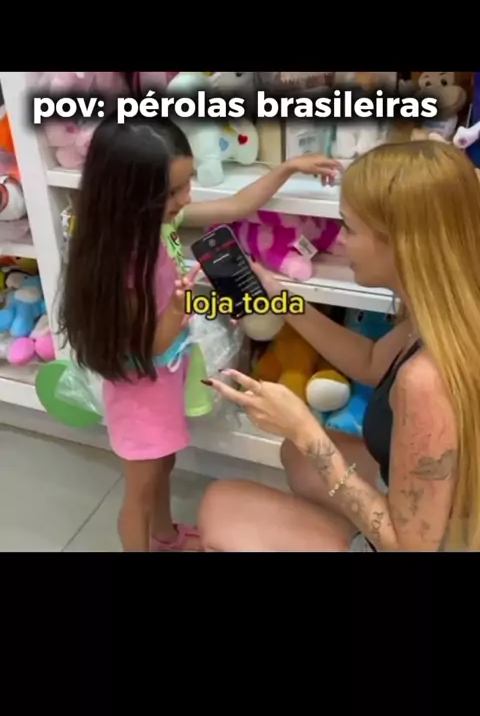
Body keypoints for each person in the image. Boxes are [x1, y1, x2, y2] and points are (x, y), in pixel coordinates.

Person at [58, 113, 340, 552]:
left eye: (186, 184)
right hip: (140, 387)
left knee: (163, 464)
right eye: (174, 191)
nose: (186, 198)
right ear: (130, 195)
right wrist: (180, 307)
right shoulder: (120, 263)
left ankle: (164, 535)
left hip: (164, 375)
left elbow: (236, 206)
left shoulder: (158, 224)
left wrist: (287, 168)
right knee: (141, 489)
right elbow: (150, 343)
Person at [198, 139, 480, 552]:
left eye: (349, 227)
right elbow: (370, 361)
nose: (342, 241)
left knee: (220, 504)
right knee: (296, 456)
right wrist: (280, 300)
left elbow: (411, 547)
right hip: (448, 504)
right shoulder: (448, 308)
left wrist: (307, 431)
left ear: (401, 241)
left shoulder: (426, 380)